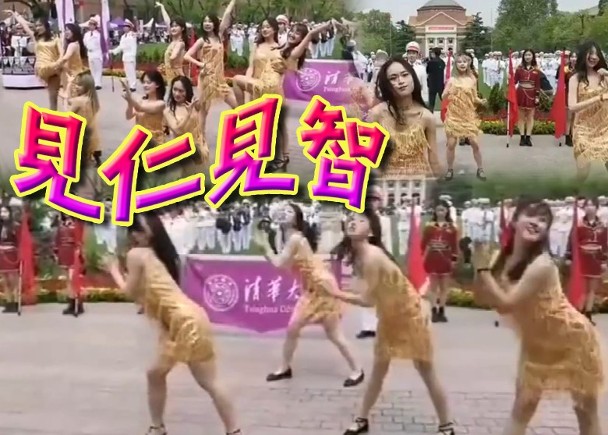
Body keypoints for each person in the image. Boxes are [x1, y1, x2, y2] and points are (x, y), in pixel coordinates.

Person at [473, 197, 604, 435]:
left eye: (543, 220)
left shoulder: (542, 265)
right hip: (536, 343)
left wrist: (482, 270)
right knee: (522, 408)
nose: (536, 222)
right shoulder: (500, 258)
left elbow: (506, 304)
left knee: (585, 411)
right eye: (530, 215)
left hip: (572, 339)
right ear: (514, 220)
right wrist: (479, 267)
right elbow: (483, 298)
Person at [104, 212, 242, 435]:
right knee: (157, 374)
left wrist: (113, 270)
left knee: (208, 382)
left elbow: (129, 292)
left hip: (185, 323)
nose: (134, 234)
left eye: (136, 229)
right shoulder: (160, 256)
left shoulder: (137, 254)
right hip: (184, 321)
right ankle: (158, 427)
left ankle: (232, 430)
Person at [326, 201, 454, 435]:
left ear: (371, 231)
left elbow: (367, 300)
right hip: (389, 317)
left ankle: (447, 425)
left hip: (411, 316)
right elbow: (368, 292)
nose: (353, 221)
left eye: (361, 219)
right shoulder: (360, 256)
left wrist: (336, 293)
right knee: (378, 370)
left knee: (426, 370)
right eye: (351, 218)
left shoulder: (372, 257)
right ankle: (361, 419)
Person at [253, 202, 365, 387]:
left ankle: (357, 370)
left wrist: (265, 246)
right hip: (312, 289)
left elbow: (280, 263)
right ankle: (284, 368)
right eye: (282, 210)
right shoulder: (287, 238)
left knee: (333, 334)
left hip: (322, 288)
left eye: (289, 211)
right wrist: (267, 246)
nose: (284, 213)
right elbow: (285, 265)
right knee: (294, 329)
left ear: (296, 218)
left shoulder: (295, 238)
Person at [370, 57, 442, 178]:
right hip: (386, 182)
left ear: (413, 77)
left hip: (417, 181)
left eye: (405, 75)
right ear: (386, 85)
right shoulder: (376, 114)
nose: (401, 81)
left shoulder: (427, 117)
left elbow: (434, 161)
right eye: (393, 78)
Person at [183, 0, 236, 132]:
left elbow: (227, 14)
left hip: (220, 80)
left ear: (215, 24)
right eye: (205, 21)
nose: (207, 24)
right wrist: (201, 64)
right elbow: (187, 56)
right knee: (203, 111)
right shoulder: (202, 40)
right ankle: (200, 138)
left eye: (210, 21)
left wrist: (233, 2)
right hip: (206, 79)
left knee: (237, 106)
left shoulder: (219, 36)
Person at [567, 40, 608, 181]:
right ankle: (572, 192)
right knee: (583, 173)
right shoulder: (576, 78)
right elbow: (572, 107)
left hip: (604, 128)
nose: (594, 57)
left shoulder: (604, 76)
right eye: (590, 53)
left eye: (596, 54)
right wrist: (598, 98)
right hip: (583, 128)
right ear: (584, 55)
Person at [442, 52, 486, 181]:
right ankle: (450, 169)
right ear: (456, 64)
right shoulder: (452, 80)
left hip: (468, 116)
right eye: (459, 62)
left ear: (468, 64)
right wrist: (449, 92)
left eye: (464, 62)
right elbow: (443, 96)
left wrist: (481, 101)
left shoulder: (472, 80)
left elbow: (474, 97)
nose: (462, 64)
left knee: (475, 143)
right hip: (454, 116)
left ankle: (480, 169)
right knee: (451, 144)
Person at [4, 11, 61, 109]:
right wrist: (15, 15)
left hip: (54, 69)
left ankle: (53, 115)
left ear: (46, 26)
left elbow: (61, 53)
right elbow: (24, 25)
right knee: (53, 96)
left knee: (53, 97)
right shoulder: (36, 38)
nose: (38, 28)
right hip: (42, 68)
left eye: (40, 25)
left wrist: (60, 63)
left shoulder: (54, 38)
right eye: (37, 26)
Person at [565, 197, 607, 325]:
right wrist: (569, 257)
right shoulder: (578, 224)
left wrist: (604, 261)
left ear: (597, 208)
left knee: (592, 289)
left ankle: (588, 313)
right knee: (582, 288)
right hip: (582, 258)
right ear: (584, 208)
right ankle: (579, 312)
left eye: (592, 205)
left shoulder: (603, 226)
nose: (590, 208)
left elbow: (604, 243)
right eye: (587, 205)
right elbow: (572, 241)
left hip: (596, 258)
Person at [422, 200, 458, 323]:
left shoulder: (452, 228)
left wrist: (454, 259)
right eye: (438, 210)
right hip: (432, 258)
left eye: (443, 210)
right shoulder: (429, 227)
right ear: (435, 212)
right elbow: (424, 243)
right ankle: (433, 310)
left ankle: (442, 310)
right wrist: (422, 256)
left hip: (446, 259)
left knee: (444, 287)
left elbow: (454, 245)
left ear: (447, 211)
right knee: (433, 287)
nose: (440, 212)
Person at [155, 3, 188, 86]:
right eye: (172, 26)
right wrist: (162, 7)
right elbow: (167, 21)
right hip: (170, 75)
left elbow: (173, 56)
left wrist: (164, 66)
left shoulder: (180, 43)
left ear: (182, 28)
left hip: (177, 75)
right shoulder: (173, 40)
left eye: (176, 26)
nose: (173, 28)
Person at [514, 49, 541, 147]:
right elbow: (514, 81)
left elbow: (537, 85)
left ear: (533, 56)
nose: (527, 57)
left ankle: (528, 137)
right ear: (523, 57)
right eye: (526, 55)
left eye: (529, 55)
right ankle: (522, 137)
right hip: (521, 93)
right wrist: (510, 78)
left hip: (532, 94)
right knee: (521, 117)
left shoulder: (536, 70)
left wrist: (537, 96)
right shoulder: (519, 69)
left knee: (530, 117)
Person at [0, 205, 20, 313]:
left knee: (13, 280)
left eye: (5, 211)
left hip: (12, 254)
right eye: (1, 212)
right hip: (1, 254)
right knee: (5, 280)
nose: (3, 214)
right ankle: (9, 302)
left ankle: (16, 301)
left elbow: (20, 241)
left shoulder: (15, 226)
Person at [111, 20, 138, 92]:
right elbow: (121, 46)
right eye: (124, 27)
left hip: (130, 55)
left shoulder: (132, 35)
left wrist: (133, 56)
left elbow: (133, 46)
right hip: (125, 56)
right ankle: (128, 85)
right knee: (127, 72)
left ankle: (133, 86)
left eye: (126, 26)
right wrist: (113, 51)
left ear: (129, 27)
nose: (124, 28)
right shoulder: (123, 36)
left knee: (131, 72)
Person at [83, 15, 103, 89]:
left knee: (98, 69)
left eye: (92, 25)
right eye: (90, 24)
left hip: (97, 53)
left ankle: (98, 84)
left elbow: (101, 44)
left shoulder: (98, 35)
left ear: (95, 26)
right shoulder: (86, 35)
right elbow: (85, 43)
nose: (91, 26)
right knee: (92, 69)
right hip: (90, 53)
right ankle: (94, 83)